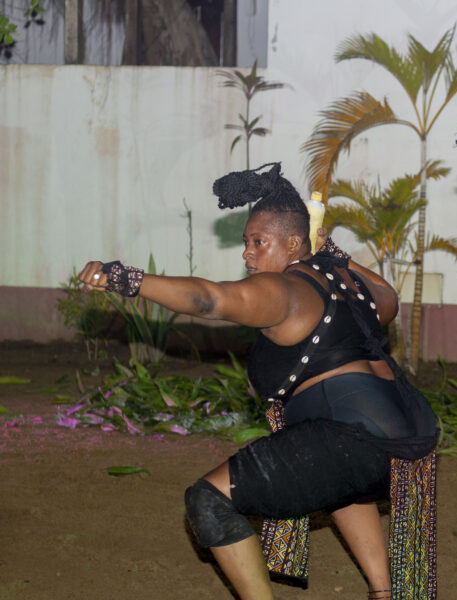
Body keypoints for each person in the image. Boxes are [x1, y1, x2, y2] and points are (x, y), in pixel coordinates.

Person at [78, 163, 438, 600]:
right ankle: (386, 593)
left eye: (257, 242)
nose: (247, 254)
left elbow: (210, 300)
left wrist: (128, 280)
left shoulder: (284, 290)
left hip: (356, 440)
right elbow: (389, 299)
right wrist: (335, 253)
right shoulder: (348, 284)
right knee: (340, 482)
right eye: (246, 243)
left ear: (292, 243)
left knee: (208, 499)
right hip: (404, 444)